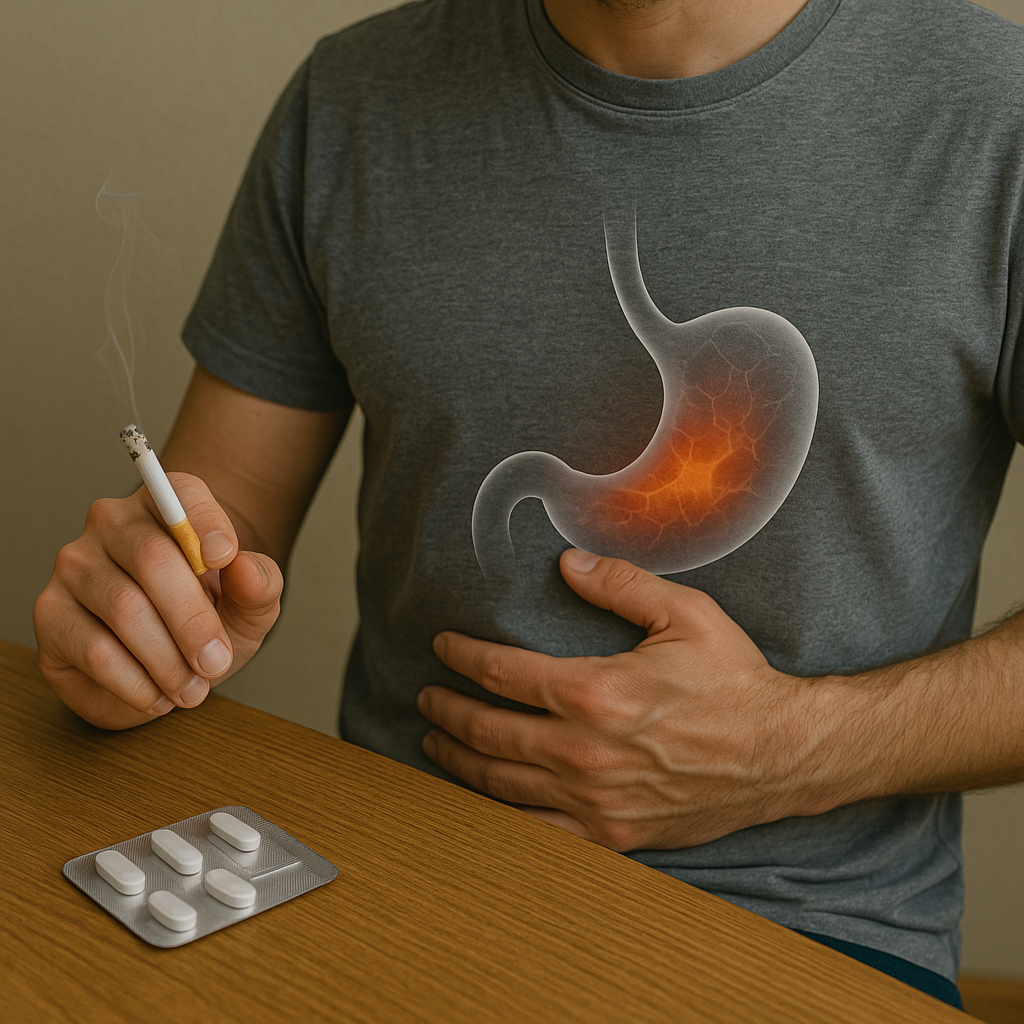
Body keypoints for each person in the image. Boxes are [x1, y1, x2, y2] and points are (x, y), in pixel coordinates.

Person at [33, 0, 1024, 1008]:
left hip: (807, 932)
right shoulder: (351, 100)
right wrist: (143, 614)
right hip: (387, 890)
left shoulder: (1000, 107)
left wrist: (787, 749)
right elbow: (221, 519)